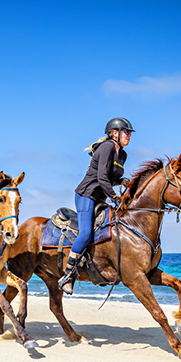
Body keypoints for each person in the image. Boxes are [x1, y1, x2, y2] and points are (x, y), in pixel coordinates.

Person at [58, 117, 135, 295]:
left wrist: (123, 182)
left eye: (130, 133)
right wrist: (115, 197)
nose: (129, 136)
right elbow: (101, 178)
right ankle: (68, 276)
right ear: (115, 133)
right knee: (86, 233)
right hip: (86, 195)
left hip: (100, 198)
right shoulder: (107, 147)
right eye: (127, 132)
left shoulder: (123, 154)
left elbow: (111, 178)